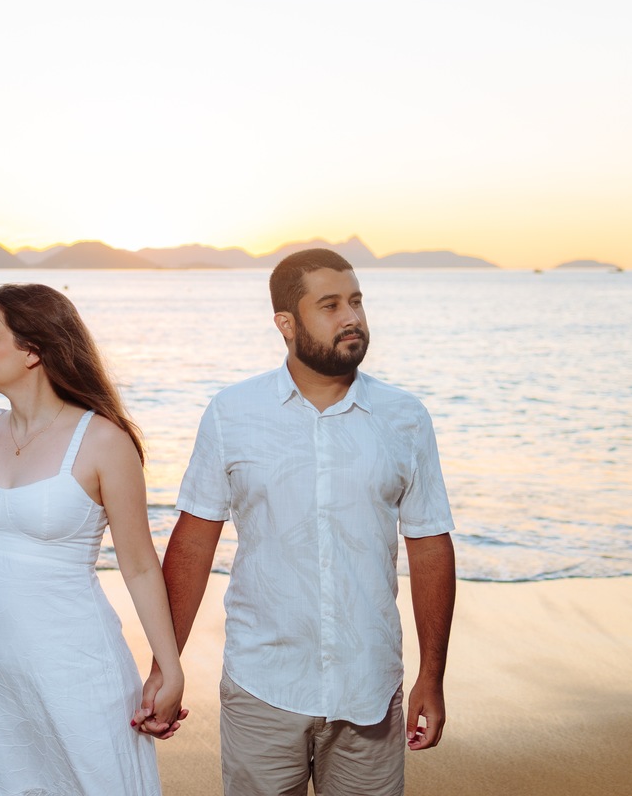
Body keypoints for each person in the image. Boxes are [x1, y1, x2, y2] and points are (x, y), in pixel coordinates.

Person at [139, 249, 457, 795]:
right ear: (286, 323)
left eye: (356, 301)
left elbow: (429, 544)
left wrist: (432, 675)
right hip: (263, 685)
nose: (351, 317)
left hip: (370, 688)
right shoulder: (232, 412)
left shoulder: (404, 417)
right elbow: (193, 543)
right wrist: (165, 667)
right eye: (330, 305)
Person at [0, 283, 187, 795]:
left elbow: (139, 567)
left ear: (33, 351)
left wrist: (170, 668)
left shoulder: (102, 441)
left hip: (78, 674)